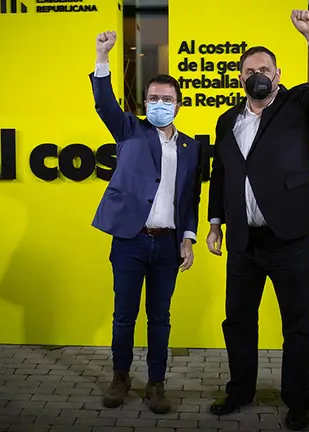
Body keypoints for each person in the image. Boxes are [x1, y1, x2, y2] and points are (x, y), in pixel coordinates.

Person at [205, 10, 309, 431]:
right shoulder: (227, 120)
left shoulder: (299, 104)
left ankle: (298, 401)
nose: (257, 75)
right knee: (238, 321)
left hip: (290, 238)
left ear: (278, 74)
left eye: (264, 68)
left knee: (297, 324)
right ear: (240, 78)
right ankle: (240, 390)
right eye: (249, 70)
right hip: (244, 242)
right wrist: (214, 223)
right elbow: (221, 174)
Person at [89, 30, 203, 414]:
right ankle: (120, 378)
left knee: (160, 319)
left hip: (168, 246)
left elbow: (190, 198)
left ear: (179, 105)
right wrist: (102, 57)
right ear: (145, 102)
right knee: (124, 316)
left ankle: (156, 384)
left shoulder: (190, 147)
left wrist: (188, 237)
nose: (159, 104)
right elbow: (104, 104)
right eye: (153, 98)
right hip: (130, 240)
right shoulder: (130, 129)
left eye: (166, 100)